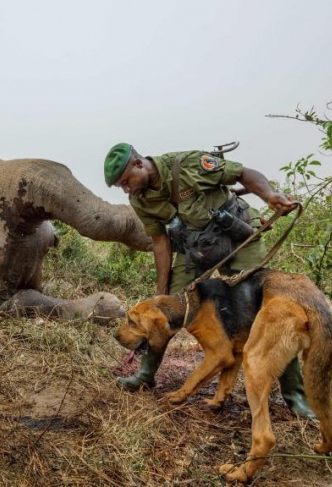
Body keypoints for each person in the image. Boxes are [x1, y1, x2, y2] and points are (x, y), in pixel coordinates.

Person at [103, 142, 315, 418]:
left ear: (138, 164)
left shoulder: (188, 164)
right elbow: (160, 241)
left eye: (126, 181)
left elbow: (243, 174)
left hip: (236, 238)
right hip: (195, 247)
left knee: (266, 312)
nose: (127, 189)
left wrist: (270, 196)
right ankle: (146, 375)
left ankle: (295, 397)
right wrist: (161, 291)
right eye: (121, 187)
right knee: (163, 310)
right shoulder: (140, 199)